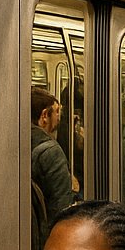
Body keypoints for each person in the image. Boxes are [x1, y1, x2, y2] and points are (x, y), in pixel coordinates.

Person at [30, 86, 74, 223]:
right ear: (44, 116)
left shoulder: (13, 143)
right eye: (56, 111)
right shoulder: (51, 152)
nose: (58, 117)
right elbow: (61, 209)